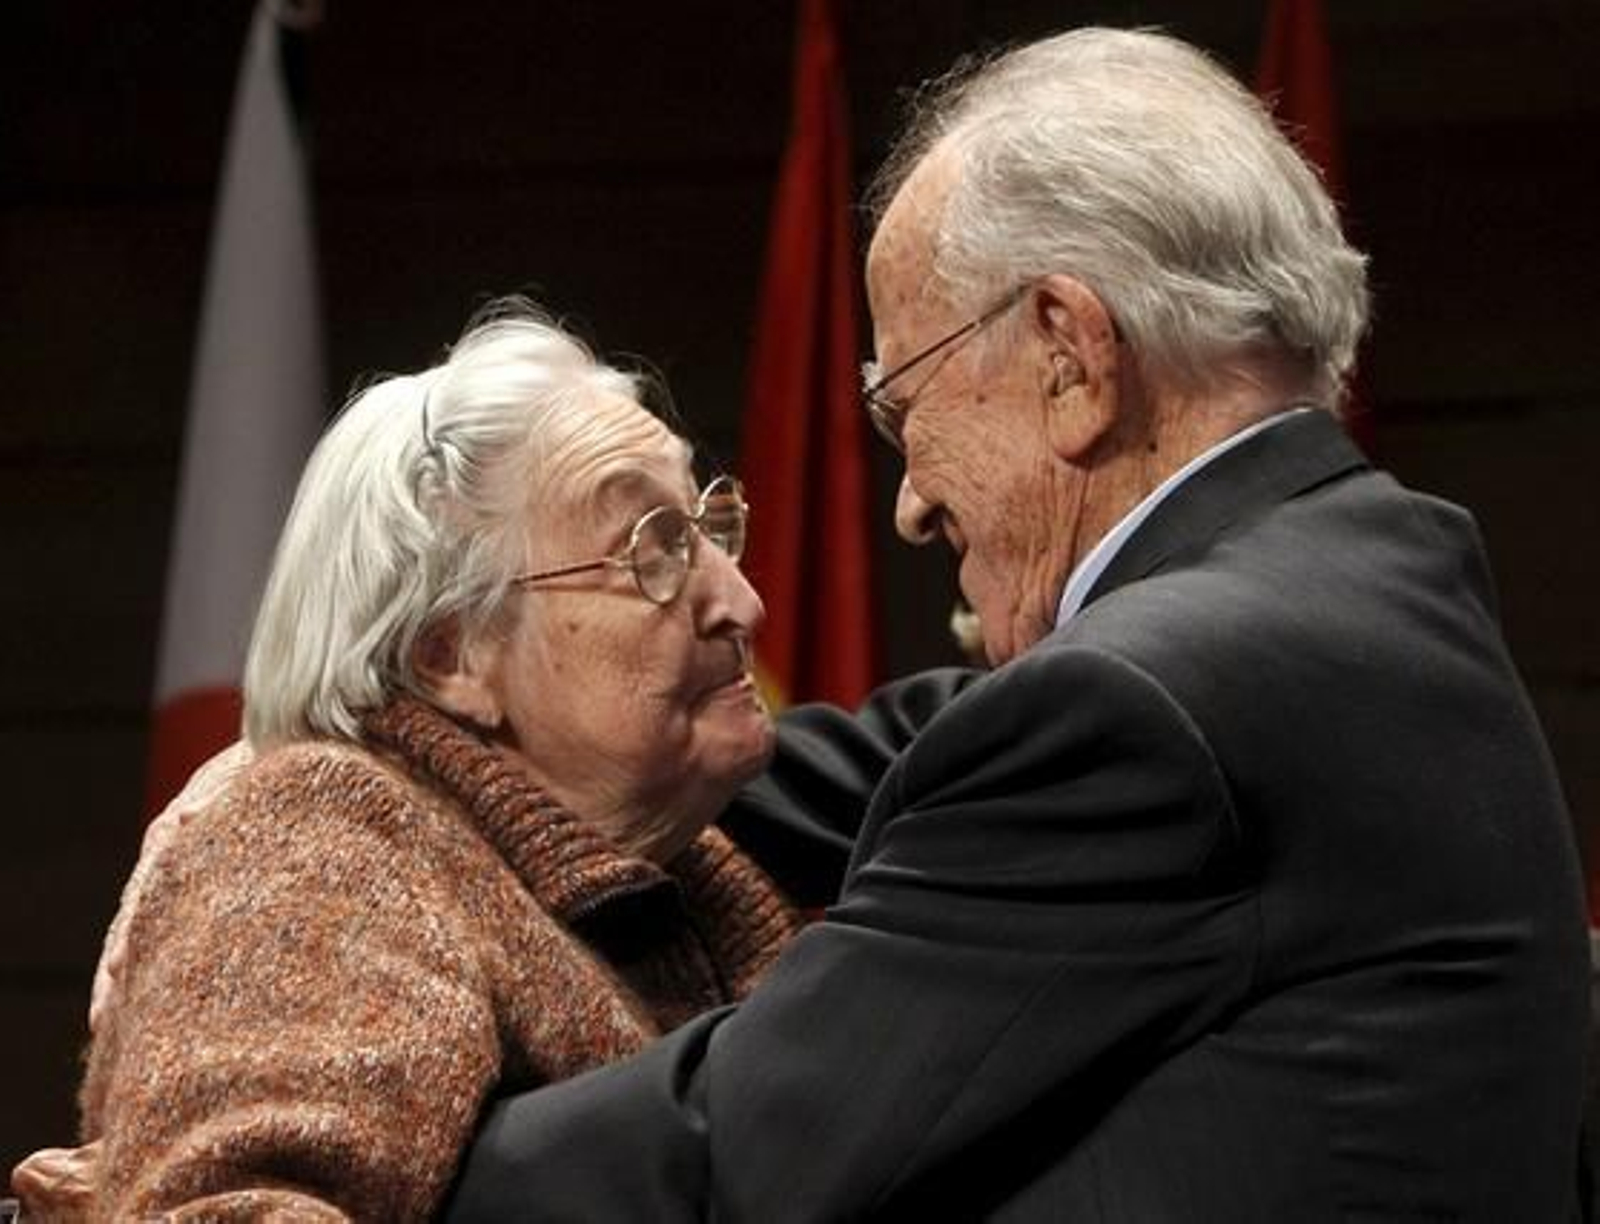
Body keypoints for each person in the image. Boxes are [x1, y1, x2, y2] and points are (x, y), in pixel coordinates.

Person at [441, 27, 1591, 1222]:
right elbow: (898, 754)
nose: (909, 503)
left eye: (906, 412)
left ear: (1067, 353)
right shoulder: (1355, 577)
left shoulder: (1150, 708)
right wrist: (460, 743)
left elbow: (739, 1150)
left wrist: (396, 1135)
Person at [13, 298, 817, 1219]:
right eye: (653, 553)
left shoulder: (685, 879)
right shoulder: (326, 857)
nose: (742, 602)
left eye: (709, 528)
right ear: (453, 654)